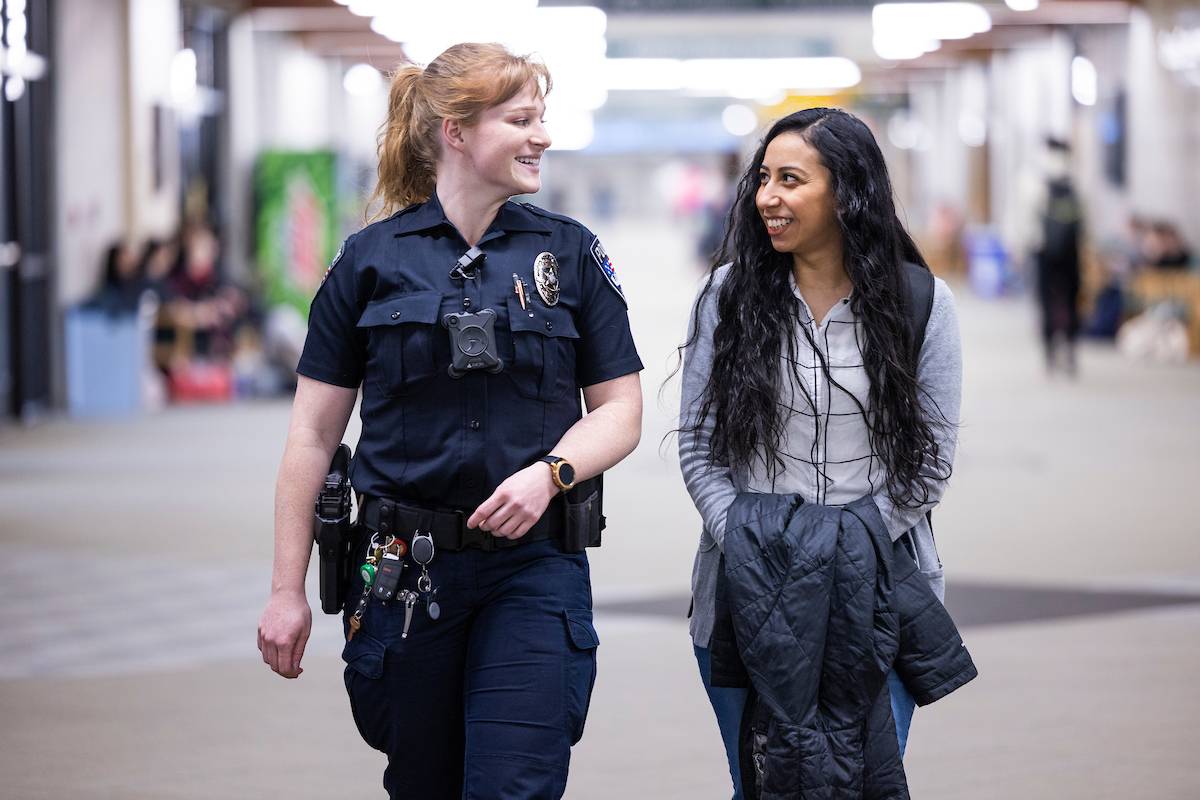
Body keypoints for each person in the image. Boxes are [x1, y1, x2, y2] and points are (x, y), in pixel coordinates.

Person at [255, 43, 643, 800]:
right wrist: (285, 588)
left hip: (532, 567)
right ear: (456, 132)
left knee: (513, 787)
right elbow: (311, 436)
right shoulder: (367, 264)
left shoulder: (570, 255)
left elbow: (621, 408)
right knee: (422, 783)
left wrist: (551, 473)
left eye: (542, 117)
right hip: (397, 565)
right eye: (521, 119)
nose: (543, 136)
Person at [677, 108, 960, 798]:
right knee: (762, 786)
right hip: (745, 596)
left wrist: (844, 546)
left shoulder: (920, 302)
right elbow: (696, 443)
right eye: (763, 179)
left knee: (865, 783)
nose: (767, 197)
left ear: (848, 191)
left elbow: (930, 460)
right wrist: (750, 538)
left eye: (791, 180)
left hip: (881, 597)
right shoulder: (728, 296)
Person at [1033, 137, 1084, 376]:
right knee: (1071, 299)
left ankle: (1049, 350)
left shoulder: (1034, 177)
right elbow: (1085, 216)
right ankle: (1071, 347)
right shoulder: (1075, 176)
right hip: (1071, 249)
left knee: (1046, 301)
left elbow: (1025, 217)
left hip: (1043, 249)